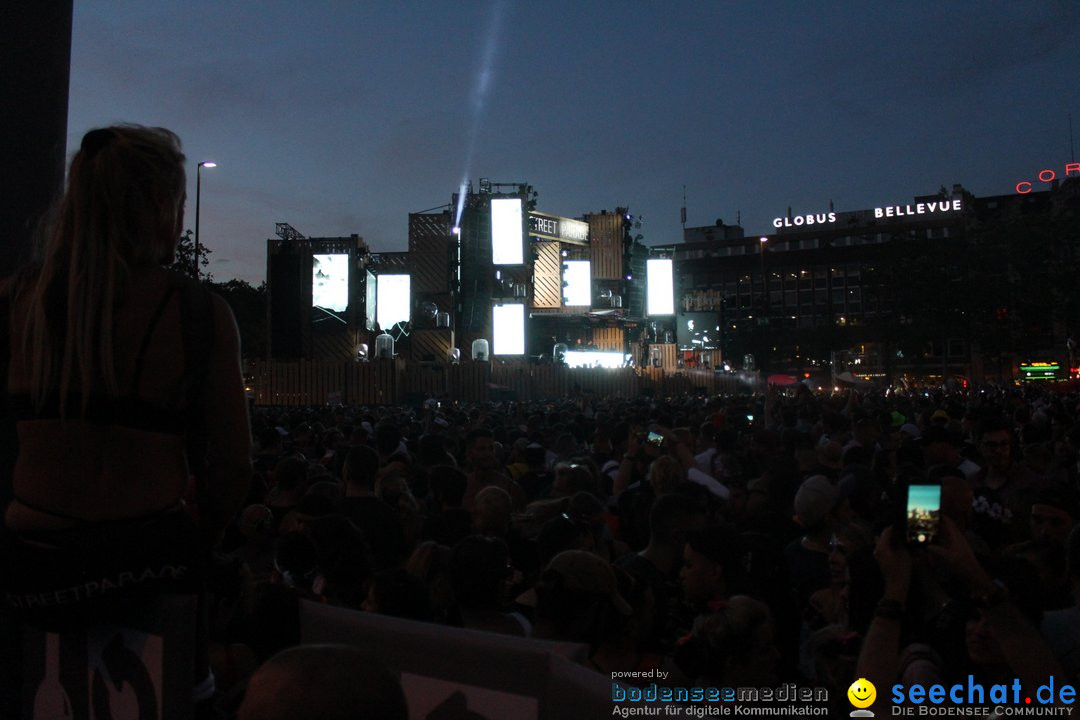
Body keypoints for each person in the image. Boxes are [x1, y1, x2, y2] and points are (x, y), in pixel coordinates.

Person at [0, 125, 252, 703]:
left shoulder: (15, 304)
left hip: (30, 572)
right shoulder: (199, 316)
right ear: (163, 206)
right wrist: (197, 541)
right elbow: (233, 467)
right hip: (148, 573)